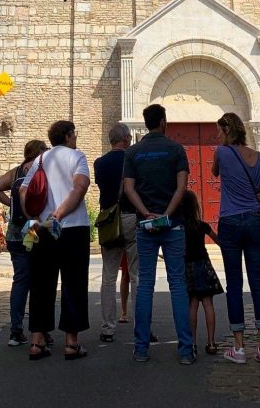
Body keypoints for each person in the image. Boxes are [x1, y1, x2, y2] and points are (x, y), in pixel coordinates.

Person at [123, 103, 194, 365]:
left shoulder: (133, 152)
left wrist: (146, 213)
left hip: (146, 226)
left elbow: (129, 189)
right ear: (163, 122)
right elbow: (182, 188)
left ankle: (141, 348)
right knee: (177, 285)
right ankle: (186, 350)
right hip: (173, 225)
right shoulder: (176, 149)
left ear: (145, 123)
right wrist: (166, 214)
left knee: (145, 286)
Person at [20, 120, 91, 361]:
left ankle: (37, 342)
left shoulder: (40, 160)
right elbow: (80, 187)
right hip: (73, 228)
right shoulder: (77, 157)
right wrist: (59, 214)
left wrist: (35, 217)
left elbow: (24, 191)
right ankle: (72, 343)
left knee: (41, 284)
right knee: (74, 283)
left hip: (42, 229)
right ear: (69, 135)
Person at [213, 112, 260, 365]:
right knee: (258, 283)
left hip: (230, 222)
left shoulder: (221, 152)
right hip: (252, 220)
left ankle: (238, 348)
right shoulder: (259, 157)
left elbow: (215, 173)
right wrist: (252, 199)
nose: (217, 135)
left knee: (234, 284)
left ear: (226, 131)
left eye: (219, 130)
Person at [0, 139, 48, 346]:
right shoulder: (40, 169)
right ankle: (40, 330)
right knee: (39, 281)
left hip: (15, 231)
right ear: (39, 153)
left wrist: (12, 203)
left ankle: (16, 330)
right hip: (33, 229)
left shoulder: (16, 172)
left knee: (20, 280)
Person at [94, 122, 140, 343]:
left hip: (109, 220)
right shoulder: (134, 159)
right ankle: (141, 325)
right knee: (136, 275)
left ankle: (108, 328)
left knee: (108, 277)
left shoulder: (99, 163)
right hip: (131, 216)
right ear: (126, 139)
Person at [181, 189, 223, 355]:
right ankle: (211, 342)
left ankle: (192, 343)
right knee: (208, 303)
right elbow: (218, 240)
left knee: (192, 304)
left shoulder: (180, 228)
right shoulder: (202, 225)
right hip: (203, 265)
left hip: (188, 266)